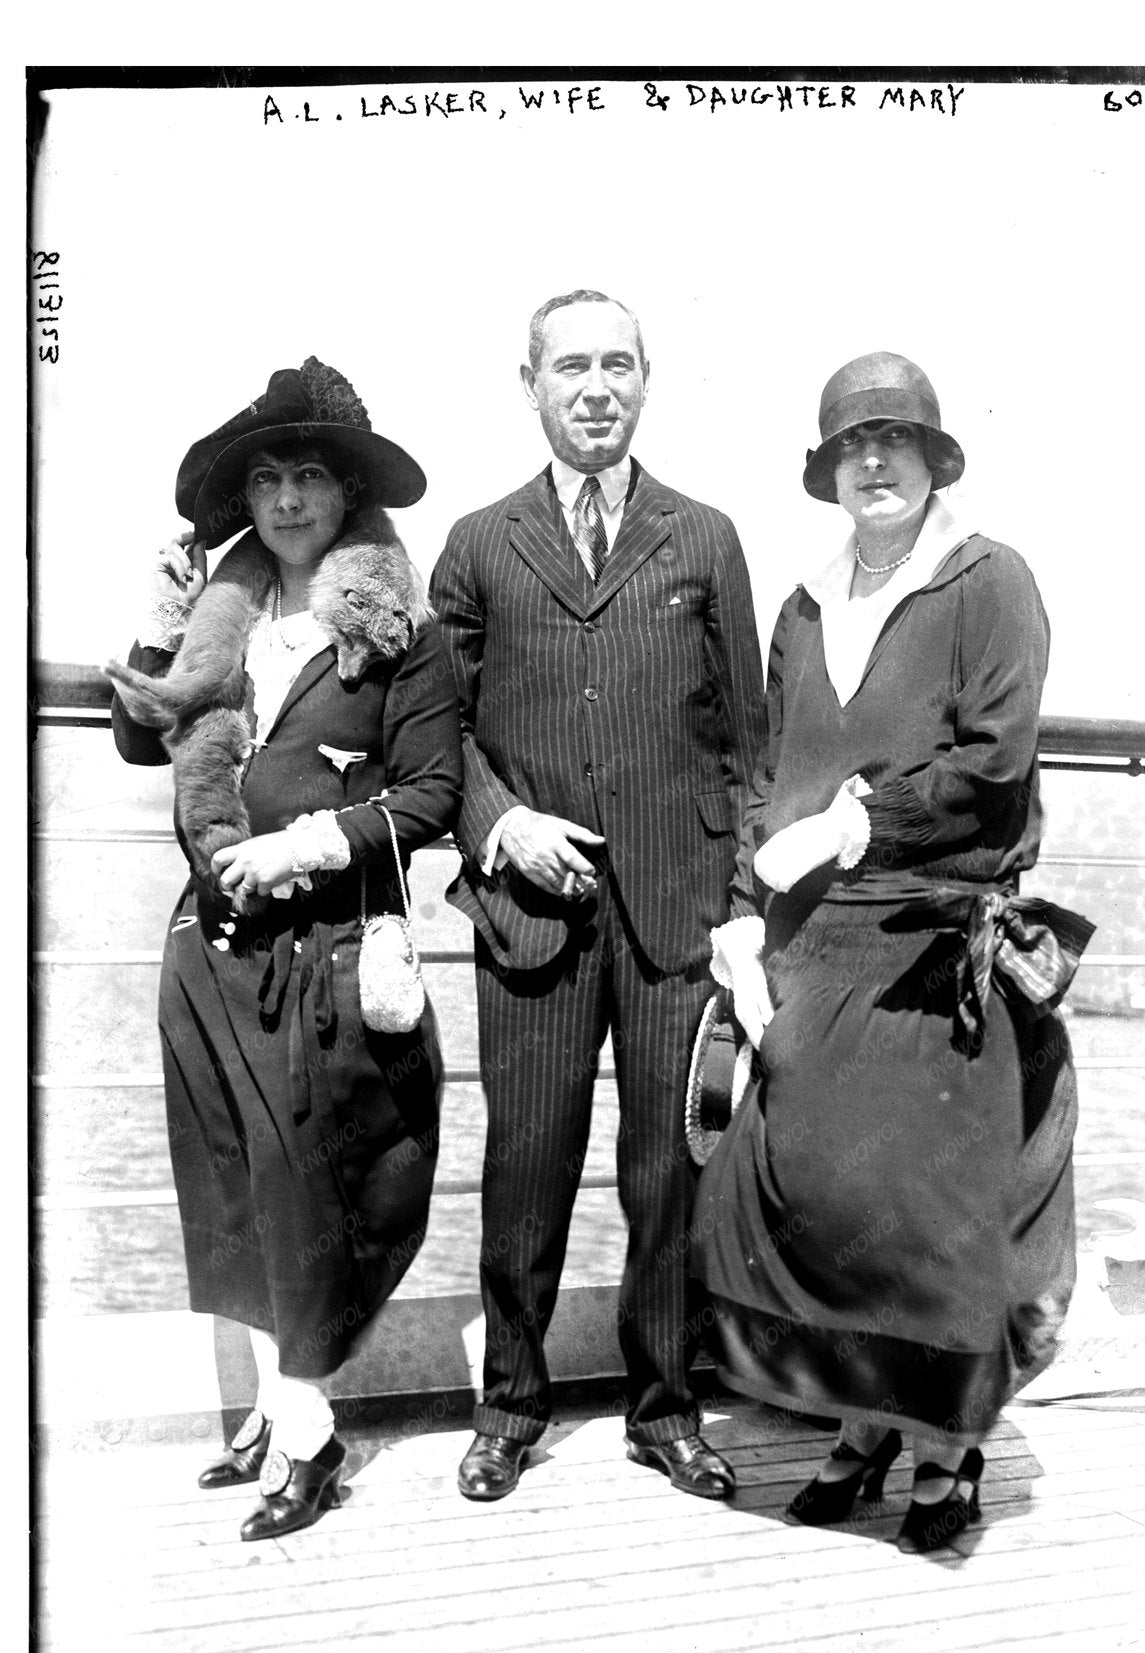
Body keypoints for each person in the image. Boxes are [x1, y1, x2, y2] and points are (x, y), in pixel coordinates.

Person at [691, 351, 1092, 1552]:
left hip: (933, 935)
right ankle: (865, 1422)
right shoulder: (806, 608)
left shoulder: (988, 581)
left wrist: (857, 815)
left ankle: (950, 1454)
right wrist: (742, 916)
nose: (875, 462)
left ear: (932, 461)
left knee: (929, 1209)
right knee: (827, 1195)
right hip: (817, 938)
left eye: (896, 443)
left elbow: (994, 757)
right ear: (827, 471)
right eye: (853, 446)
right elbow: (765, 774)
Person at [412, 289, 765, 1503]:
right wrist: (499, 825)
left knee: (673, 1168)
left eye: (618, 363)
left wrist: (741, 904)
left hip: (678, 911)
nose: (596, 386)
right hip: (535, 915)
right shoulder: (477, 541)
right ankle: (510, 1401)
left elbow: (748, 743)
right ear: (531, 386)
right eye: (573, 366)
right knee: (528, 1160)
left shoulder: (706, 536)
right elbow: (434, 733)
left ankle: (665, 1407)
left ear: (648, 379)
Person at [107, 359, 458, 1540]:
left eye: (312, 473)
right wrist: (161, 625)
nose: (290, 497)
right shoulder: (227, 614)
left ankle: (309, 1429)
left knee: (312, 1175)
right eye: (268, 476)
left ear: (350, 492)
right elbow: (136, 742)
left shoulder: (397, 633)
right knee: (231, 1178)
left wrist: (305, 845)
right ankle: (272, 1411)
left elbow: (430, 794)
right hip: (208, 945)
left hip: (322, 947)